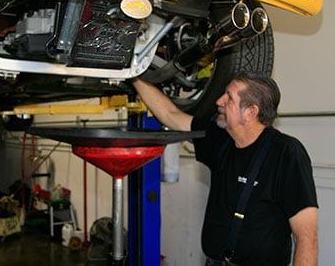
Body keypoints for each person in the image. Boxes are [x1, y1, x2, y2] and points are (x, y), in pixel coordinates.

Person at [133, 72, 318, 266]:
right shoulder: (221, 139)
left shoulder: (286, 153)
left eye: (229, 97)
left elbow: (307, 238)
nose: (219, 101)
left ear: (250, 112)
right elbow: (172, 116)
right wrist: (134, 76)